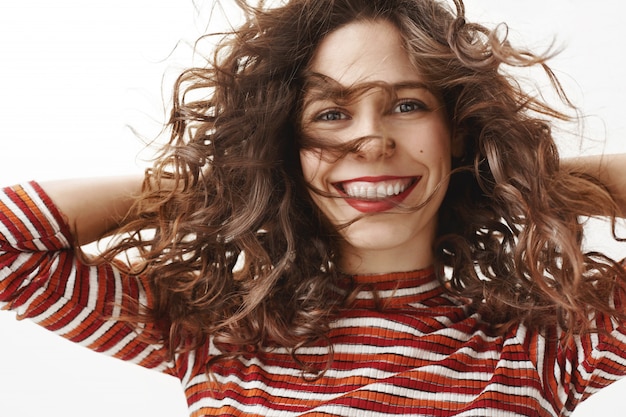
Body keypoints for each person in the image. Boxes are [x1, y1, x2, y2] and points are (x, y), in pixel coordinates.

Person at [2, 0, 626, 416]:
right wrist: (222, 185)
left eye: (407, 105)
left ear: (459, 133)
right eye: (331, 113)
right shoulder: (216, 337)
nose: (371, 139)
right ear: (283, 150)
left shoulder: (539, 347)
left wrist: (518, 174)